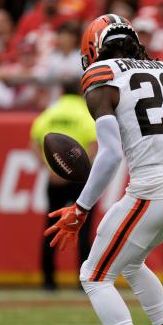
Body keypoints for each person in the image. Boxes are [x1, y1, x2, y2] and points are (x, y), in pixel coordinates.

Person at [44, 14, 163, 325]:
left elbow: (111, 154)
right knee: (130, 262)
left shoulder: (101, 75)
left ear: (94, 49)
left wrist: (79, 208)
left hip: (152, 189)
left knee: (93, 276)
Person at [30, 80, 97, 291]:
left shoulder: (50, 113)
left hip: (54, 179)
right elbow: (94, 146)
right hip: (81, 181)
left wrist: (52, 169)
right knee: (84, 230)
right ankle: (83, 281)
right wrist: (75, 171)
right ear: (80, 91)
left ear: (60, 90)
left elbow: (34, 143)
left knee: (50, 228)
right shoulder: (85, 114)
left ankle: (48, 281)